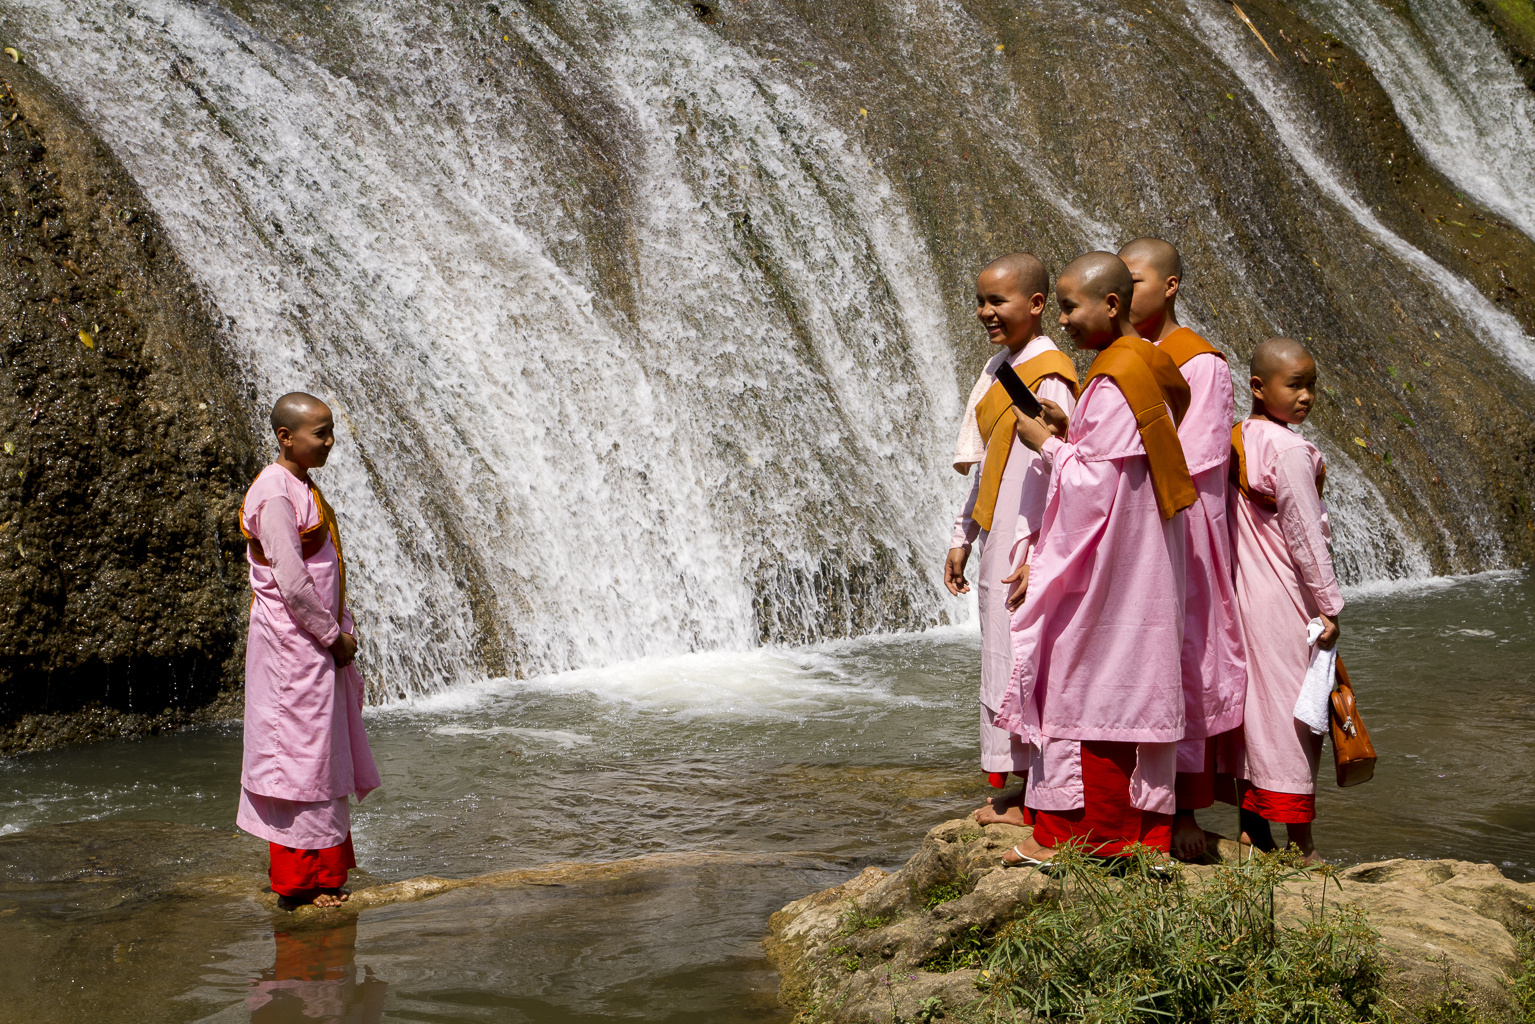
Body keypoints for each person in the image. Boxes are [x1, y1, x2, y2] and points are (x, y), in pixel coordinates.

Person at [994, 252, 1197, 864]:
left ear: (1110, 305)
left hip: (1111, 566)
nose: (1062, 321)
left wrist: (1049, 443)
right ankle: (1141, 834)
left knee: (1086, 675)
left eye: (1069, 307)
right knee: (1127, 675)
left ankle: (1085, 836)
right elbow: (1115, 456)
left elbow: (1093, 487)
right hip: (1141, 556)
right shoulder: (1142, 365)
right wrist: (1070, 426)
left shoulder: (1116, 377)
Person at [1119, 238, 1246, 862]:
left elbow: (1194, 460)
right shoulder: (1127, 357)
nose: (1125, 291)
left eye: (1136, 281)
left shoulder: (1201, 364)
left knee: (1184, 663)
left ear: (1169, 287)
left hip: (1186, 530)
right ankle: (1134, 800)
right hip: (1134, 526)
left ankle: (1184, 807)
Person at [946, 253, 1079, 828]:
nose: (985, 312)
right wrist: (962, 534)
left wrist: (1040, 551)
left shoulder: (1050, 375)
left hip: (1031, 540)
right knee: (1003, 656)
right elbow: (988, 468)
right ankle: (1022, 787)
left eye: (997, 301)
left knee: (1029, 659)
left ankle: (1037, 795)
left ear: (1037, 304)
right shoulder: (1001, 365)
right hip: (997, 534)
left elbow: (1060, 470)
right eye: (980, 301)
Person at [237, 392, 380, 910]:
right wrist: (332, 636)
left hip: (312, 644)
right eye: (320, 433)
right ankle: (300, 885)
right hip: (292, 647)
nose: (329, 442)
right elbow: (293, 583)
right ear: (285, 437)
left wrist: (344, 625)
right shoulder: (274, 494)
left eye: (330, 431)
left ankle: (327, 872)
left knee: (320, 756)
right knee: (298, 761)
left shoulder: (299, 485)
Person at [1228, 338, 1341, 865]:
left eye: (1310, 384)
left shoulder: (1236, 437)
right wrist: (1329, 607)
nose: (1306, 396)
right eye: (1294, 385)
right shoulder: (1291, 450)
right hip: (1285, 598)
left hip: (1242, 593)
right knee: (1297, 714)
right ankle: (1302, 843)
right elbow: (1305, 537)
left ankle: (1252, 829)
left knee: (1255, 709)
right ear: (1258, 387)